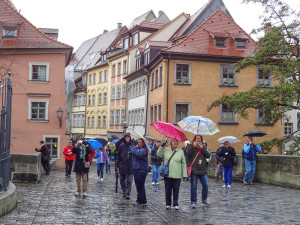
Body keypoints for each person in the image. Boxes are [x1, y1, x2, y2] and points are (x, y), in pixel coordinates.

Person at [156, 139, 187, 210]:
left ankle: (175, 203)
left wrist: (184, 174)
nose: (175, 143)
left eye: (176, 142)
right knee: (168, 189)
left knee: (176, 189)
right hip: (168, 174)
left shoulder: (181, 151)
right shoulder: (166, 150)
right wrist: (161, 146)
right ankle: (168, 204)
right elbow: (159, 154)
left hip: (177, 174)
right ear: (170, 143)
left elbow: (183, 163)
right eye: (173, 141)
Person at [185, 135, 211, 208]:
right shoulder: (190, 146)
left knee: (205, 185)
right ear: (194, 139)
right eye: (197, 138)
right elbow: (187, 154)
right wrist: (193, 146)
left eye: (200, 139)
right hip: (194, 170)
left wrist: (203, 149)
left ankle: (204, 199)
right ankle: (193, 201)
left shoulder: (203, 147)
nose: (198, 140)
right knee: (194, 186)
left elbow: (208, 155)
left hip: (203, 170)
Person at [130, 138, 148, 206]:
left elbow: (137, 154)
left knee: (139, 186)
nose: (138, 143)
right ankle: (143, 200)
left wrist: (133, 147)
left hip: (141, 170)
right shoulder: (138, 149)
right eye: (138, 142)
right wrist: (133, 147)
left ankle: (139, 200)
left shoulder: (144, 150)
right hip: (137, 170)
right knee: (140, 186)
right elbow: (132, 151)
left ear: (143, 143)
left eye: (140, 142)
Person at [115, 133, 134, 200]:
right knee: (122, 180)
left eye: (128, 137)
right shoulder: (121, 145)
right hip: (122, 165)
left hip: (130, 166)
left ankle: (128, 193)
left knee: (129, 180)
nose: (127, 139)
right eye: (126, 138)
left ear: (130, 138)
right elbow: (118, 156)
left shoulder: (132, 146)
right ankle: (124, 190)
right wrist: (117, 165)